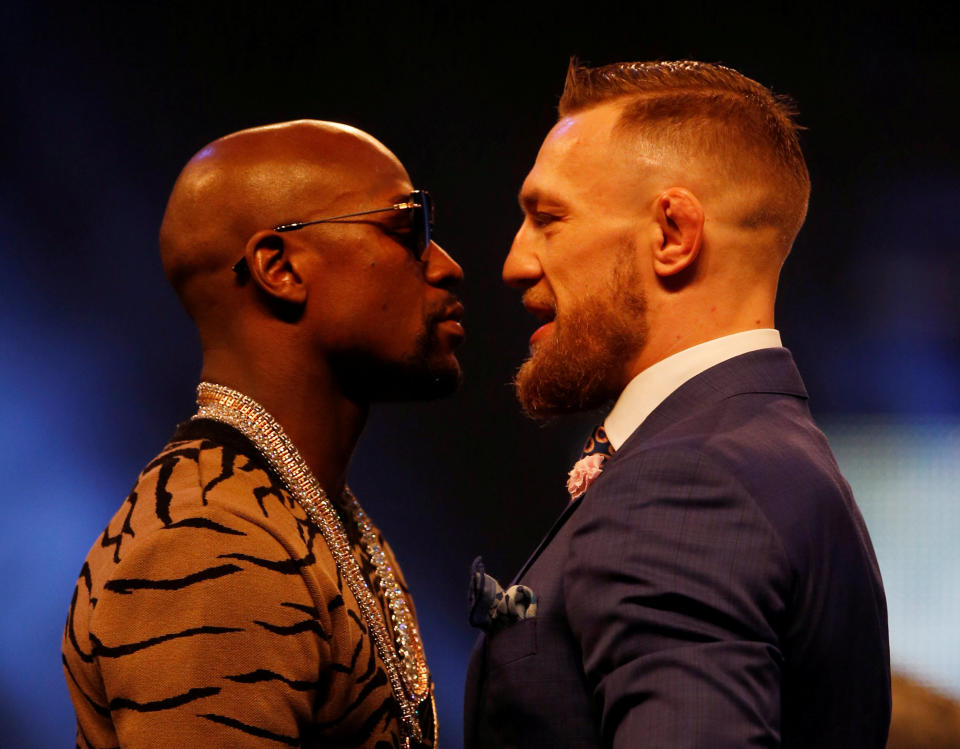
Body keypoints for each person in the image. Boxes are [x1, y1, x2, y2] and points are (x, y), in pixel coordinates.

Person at [464, 60, 890, 748]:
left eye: (548, 218)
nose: (515, 261)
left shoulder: (690, 484)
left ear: (671, 235)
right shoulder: (773, 457)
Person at [62, 120, 464, 748]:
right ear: (279, 267)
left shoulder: (310, 522)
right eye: (407, 229)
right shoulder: (210, 544)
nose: (446, 267)